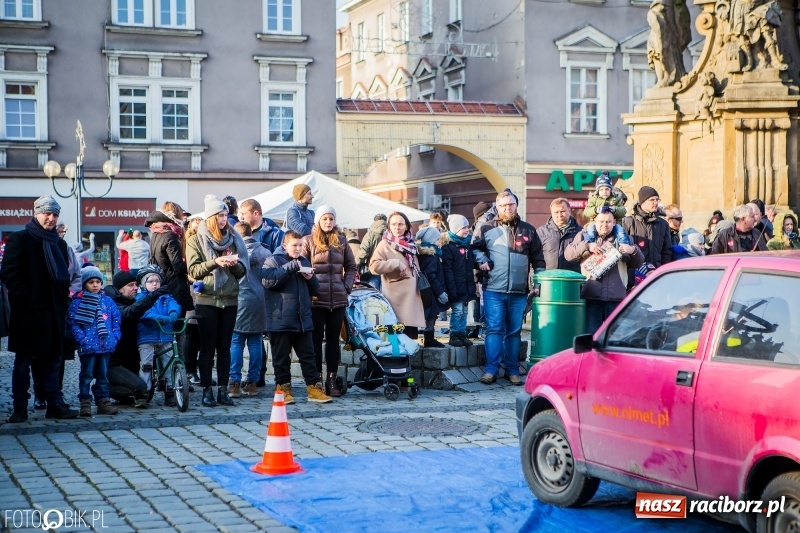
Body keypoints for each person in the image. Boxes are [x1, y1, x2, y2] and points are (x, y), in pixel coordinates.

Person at [2, 196, 79, 422]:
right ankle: (20, 407)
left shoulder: (59, 243)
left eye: (55, 214)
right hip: (27, 313)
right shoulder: (20, 239)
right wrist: (26, 297)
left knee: (54, 361)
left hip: (53, 312)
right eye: (47, 213)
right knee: (23, 363)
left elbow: (63, 277)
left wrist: (62, 302)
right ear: (36, 213)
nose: (51, 218)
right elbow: (9, 273)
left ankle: (54, 403)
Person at [472, 189, 545, 386]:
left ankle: (512, 370)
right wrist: (482, 260)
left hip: (519, 291)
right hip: (493, 288)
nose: (507, 208)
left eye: (511, 204)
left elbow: (538, 260)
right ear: (497, 206)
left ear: (516, 205)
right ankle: (491, 369)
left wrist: (537, 283)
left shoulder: (528, 230)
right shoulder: (486, 228)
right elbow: (475, 249)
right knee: (494, 329)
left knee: (514, 332)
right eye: (503, 205)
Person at [186, 195, 247, 407]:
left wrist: (233, 264)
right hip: (207, 300)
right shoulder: (196, 239)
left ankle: (223, 390)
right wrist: (215, 262)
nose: (224, 219)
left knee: (224, 347)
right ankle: (206, 391)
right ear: (211, 217)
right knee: (207, 347)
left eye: (225, 215)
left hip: (230, 300)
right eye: (220, 216)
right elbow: (193, 270)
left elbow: (242, 271)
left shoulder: (233, 237)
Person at [262, 231, 332, 404]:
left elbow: (315, 290)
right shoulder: (272, 260)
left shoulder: (304, 261)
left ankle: (313, 389)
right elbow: (268, 281)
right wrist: (292, 266)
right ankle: (283, 390)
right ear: (285, 245)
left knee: (308, 356)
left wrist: (311, 279)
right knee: (281, 358)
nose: (298, 248)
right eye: (295, 245)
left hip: (302, 319)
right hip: (280, 320)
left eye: (300, 245)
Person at [301, 206, 357, 396]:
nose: (328, 222)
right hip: (316, 300)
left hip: (337, 300)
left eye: (331, 218)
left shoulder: (341, 241)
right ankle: (316, 380)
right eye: (325, 218)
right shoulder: (308, 241)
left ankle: (331, 379)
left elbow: (351, 266)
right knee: (315, 340)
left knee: (333, 341)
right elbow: (303, 267)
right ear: (318, 221)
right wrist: (310, 290)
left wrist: (346, 286)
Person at [565, 209, 645, 334]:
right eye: (601, 221)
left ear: (614, 222)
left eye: (608, 221)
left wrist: (632, 250)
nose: (604, 225)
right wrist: (587, 246)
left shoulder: (625, 239)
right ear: (595, 221)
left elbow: (638, 263)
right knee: (590, 337)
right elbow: (568, 255)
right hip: (591, 296)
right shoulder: (584, 236)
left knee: (613, 338)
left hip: (615, 298)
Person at [67, 265, 122, 416]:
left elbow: (116, 320)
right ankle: (85, 401)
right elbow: (74, 324)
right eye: (91, 282)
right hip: (88, 346)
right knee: (86, 375)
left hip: (105, 345)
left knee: (103, 375)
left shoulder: (108, 302)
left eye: (98, 281)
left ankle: (103, 401)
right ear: (85, 284)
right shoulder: (78, 303)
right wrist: (83, 340)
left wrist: (114, 337)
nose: (95, 285)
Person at [105, 270, 165, 408]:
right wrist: (152, 297)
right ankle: (103, 388)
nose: (135, 288)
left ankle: (125, 393)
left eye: (136, 285)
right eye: (131, 285)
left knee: (146, 394)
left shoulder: (132, 300)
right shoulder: (112, 304)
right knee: (141, 388)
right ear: (120, 289)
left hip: (130, 360)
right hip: (114, 363)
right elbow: (129, 313)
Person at [369, 212, 426, 339]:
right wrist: (394, 263)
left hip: (412, 298)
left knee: (410, 340)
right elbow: (373, 267)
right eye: (393, 224)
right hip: (396, 300)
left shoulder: (411, 244)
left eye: (400, 224)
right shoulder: (384, 244)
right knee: (396, 339)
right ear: (389, 226)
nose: (397, 227)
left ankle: (408, 359)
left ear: (406, 226)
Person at [229, 222, 270, 398]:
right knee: (255, 341)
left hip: (240, 299)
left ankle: (235, 383)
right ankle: (253, 383)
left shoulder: (235, 252)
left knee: (237, 341)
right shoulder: (265, 252)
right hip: (260, 300)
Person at [135, 265, 181, 406]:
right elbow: (144, 312)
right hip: (147, 336)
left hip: (165, 335)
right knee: (146, 365)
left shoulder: (166, 297)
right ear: (144, 283)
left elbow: (175, 305)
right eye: (151, 281)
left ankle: (170, 391)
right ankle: (144, 392)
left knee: (168, 363)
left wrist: (173, 313)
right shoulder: (141, 297)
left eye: (157, 281)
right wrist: (161, 317)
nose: (155, 284)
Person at [145, 203, 194, 321]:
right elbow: (178, 265)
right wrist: (194, 267)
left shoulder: (156, 233)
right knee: (177, 325)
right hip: (174, 287)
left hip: (162, 284)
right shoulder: (170, 235)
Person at [621, 186, 673, 285]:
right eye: (652, 200)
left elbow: (667, 252)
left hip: (656, 278)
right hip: (633, 280)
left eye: (657, 199)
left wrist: (663, 272)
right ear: (642, 202)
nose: (655, 203)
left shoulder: (663, 224)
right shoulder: (628, 222)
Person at [441, 214, 476, 347]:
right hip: (456, 287)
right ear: (456, 229)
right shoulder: (449, 248)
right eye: (464, 227)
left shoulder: (467, 246)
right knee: (457, 311)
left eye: (467, 227)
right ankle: (454, 334)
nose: (467, 230)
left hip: (466, 286)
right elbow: (448, 270)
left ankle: (462, 333)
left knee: (465, 311)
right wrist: (451, 289)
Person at [415, 225, 448, 348]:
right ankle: (429, 339)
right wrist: (440, 293)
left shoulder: (423, 254)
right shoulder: (431, 256)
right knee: (431, 315)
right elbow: (432, 276)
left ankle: (428, 338)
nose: (439, 242)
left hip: (426, 290)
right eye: (437, 240)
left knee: (430, 315)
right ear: (431, 241)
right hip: (431, 291)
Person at [583, 172, 630, 246]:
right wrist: (597, 210)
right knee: (590, 231)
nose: (604, 192)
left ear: (611, 190)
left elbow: (623, 211)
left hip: (614, 223)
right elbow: (586, 212)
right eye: (601, 190)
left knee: (620, 231)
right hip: (594, 223)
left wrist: (614, 209)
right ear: (598, 191)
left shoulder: (616, 198)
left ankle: (624, 246)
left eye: (607, 189)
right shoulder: (593, 199)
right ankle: (588, 245)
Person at [537, 198, 582, 273]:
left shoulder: (580, 232)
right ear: (551, 213)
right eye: (556, 212)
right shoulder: (541, 232)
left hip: (572, 279)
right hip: (548, 279)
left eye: (562, 211)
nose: (559, 215)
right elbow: (534, 257)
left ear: (569, 211)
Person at [357, 213, 387, 289]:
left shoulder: (369, 234)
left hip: (373, 267)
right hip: (387, 268)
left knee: (373, 291)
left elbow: (363, 252)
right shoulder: (391, 232)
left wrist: (359, 264)